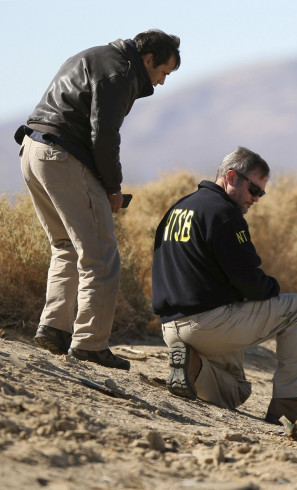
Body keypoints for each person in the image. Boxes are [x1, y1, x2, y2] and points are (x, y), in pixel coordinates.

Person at [15, 29, 181, 370]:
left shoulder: (92, 55)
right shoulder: (120, 72)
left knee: (65, 246)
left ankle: (53, 329)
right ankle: (89, 344)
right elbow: (104, 134)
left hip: (32, 151)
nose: (162, 82)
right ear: (148, 59)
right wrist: (113, 187)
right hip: (63, 157)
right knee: (102, 257)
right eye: (163, 72)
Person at [151, 146, 297, 424]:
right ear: (231, 177)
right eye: (254, 190)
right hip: (209, 325)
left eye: (261, 193)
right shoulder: (224, 214)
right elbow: (251, 284)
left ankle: (194, 366)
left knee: (235, 392)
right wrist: (273, 288)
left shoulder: (179, 208)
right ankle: (287, 404)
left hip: (170, 327)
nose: (257, 199)